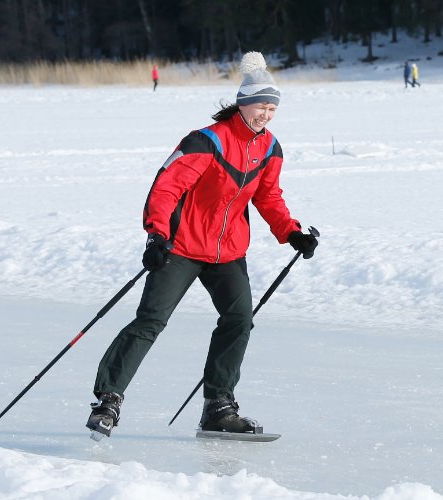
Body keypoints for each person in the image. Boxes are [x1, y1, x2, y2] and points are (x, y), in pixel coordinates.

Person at [87, 51, 319, 438]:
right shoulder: (206, 141)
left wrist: (291, 232)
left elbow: (268, 197)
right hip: (180, 247)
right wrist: (157, 235)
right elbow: (166, 187)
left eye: (272, 109)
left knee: (239, 319)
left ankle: (218, 407)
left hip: (228, 252)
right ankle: (108, 399)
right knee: (151, 320)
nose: (266, 115)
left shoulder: (270, 148)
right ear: (243, 104)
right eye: (261, 106)